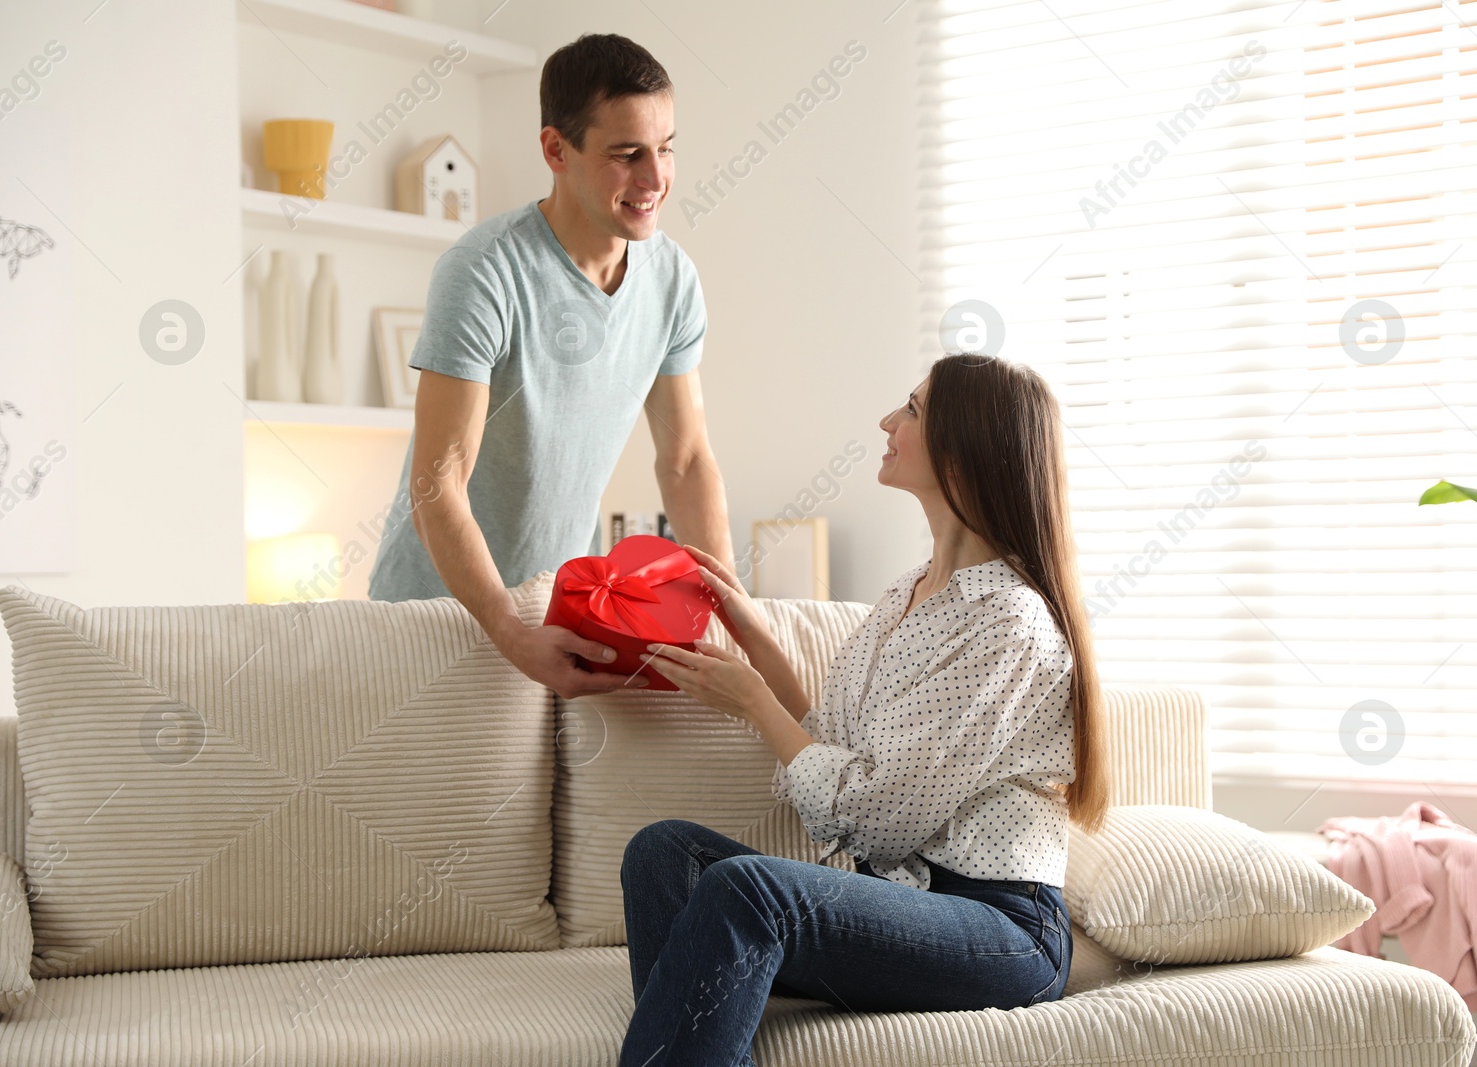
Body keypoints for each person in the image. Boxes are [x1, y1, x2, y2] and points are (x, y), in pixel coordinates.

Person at [615, 353, 1110, 1066]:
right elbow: (833, 747)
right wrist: (753, 632)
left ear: (961, 448)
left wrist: (755, 705)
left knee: (747, 891)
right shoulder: (906, 594)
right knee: (662, 853)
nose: (888, 421)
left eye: (912, 408)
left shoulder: (1010, 622)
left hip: (999, 927)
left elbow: (875, 815)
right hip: (896, 905)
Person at [365, 34, 734, 700]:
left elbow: (685, 461)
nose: (655, 179)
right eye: (627, 155)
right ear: (556, 150)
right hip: (431, 613)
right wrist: (509, 630)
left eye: (666, 148)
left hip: (560, 611)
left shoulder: (673, 278)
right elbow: (438, 482)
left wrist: (732, 611)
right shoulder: (482, 272)